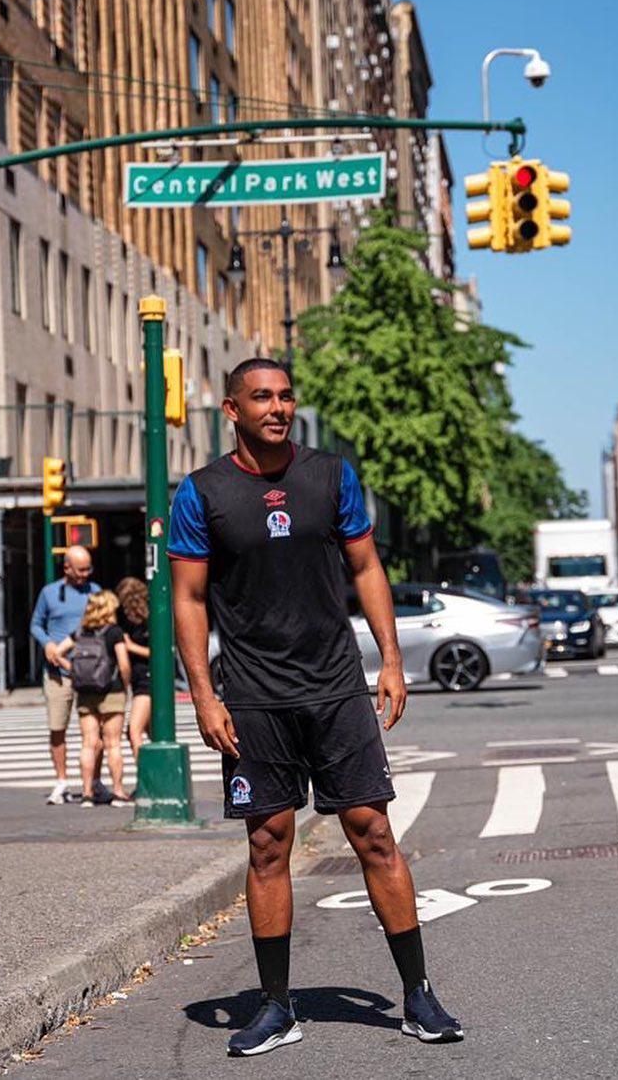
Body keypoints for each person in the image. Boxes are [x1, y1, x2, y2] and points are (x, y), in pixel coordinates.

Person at [169, 357, 464, 1057]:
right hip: (252, 695)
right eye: (261, 397)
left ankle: (417, 994)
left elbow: (366, 567)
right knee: (268, 843)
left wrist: (390, 660)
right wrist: (203, 696)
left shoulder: (331, 475)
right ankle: (277, 1006)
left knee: (373, 832)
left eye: (286, 395)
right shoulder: (203, 491)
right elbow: (186, 598)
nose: (278, 406)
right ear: (232, 409)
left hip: (334, 686)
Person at [28, 544, 100, 805]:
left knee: (92, 731)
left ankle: (93, 782)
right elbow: (35, 625)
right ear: (66, 567)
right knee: (58, 727)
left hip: (90, 672)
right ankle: (61, 781)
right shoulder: (49, 593)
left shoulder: (96, 592)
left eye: (88, 569)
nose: (85, 574)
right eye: (80, 569)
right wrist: (47, 643)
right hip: (58, 672)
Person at [54, 590, 133, 807]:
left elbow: (58, 653)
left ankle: (87, 793)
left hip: (86, 693)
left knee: (88, 744)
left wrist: (74, 671)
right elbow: (124, 664)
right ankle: (118, 792)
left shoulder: (80, 632)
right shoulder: (114, 632)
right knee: (113, 744)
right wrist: (125, 686)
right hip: (111, 690)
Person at [115, 576, 152, 765]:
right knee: (153, 732)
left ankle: (146, 777)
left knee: (134, 731)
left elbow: (160, 653)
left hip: (148, 681)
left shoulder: (150, 620)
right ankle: (157, 773)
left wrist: (130, 646)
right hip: (139, 680)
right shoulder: (128, 622)